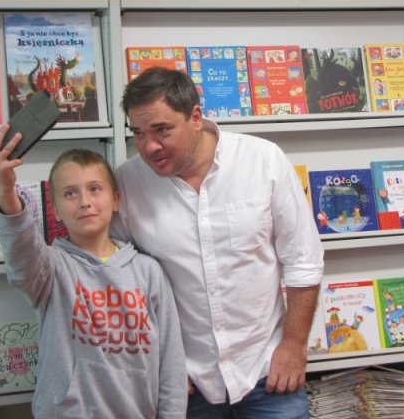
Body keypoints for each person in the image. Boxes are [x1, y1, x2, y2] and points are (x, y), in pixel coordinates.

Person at [112, 67, 324, 418]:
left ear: (195, 117)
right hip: (186, 383)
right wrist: (156, 361)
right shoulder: (128, 183)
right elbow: (118, 280)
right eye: (138, 133)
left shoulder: (263, 160)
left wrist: (294, 346)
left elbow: (304, 260)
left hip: (267, 371)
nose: (150, 147)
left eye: (162, 130)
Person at [0, 127, 187, 418]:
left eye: (95, 189)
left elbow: (172, 366)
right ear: (55, 210)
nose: (85, 202)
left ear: (115, 200)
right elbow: (21, 251)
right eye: (70, 193)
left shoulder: (149, 272)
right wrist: (5, 189)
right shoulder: (49, 268)